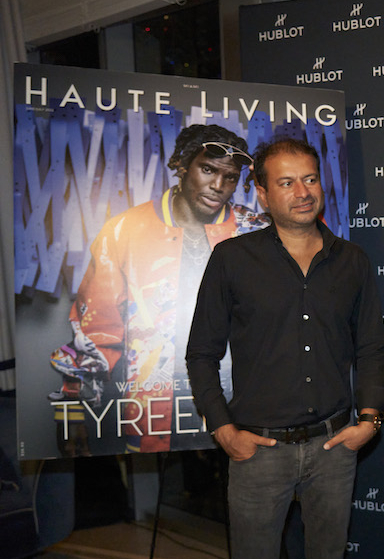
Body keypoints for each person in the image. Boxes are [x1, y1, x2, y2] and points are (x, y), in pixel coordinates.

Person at [185, 137, 384, 559]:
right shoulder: (233, 259)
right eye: (286, 182)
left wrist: (369, 420)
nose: (303, 192)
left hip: (334, 448)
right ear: (261, 192)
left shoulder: (352, 261)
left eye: (310, 179)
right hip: (257, 453)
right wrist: (222, 428)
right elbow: (201, 353)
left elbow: (372, 348)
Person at [49, 123, 267, 453]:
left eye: (230, 177)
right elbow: (96, 329)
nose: (218, 186)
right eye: (208, 169)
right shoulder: (125, 230)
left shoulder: (254, 232)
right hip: (154, 411)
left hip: (242, 407)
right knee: (162, 483)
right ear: (182, 165)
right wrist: (73, 409)